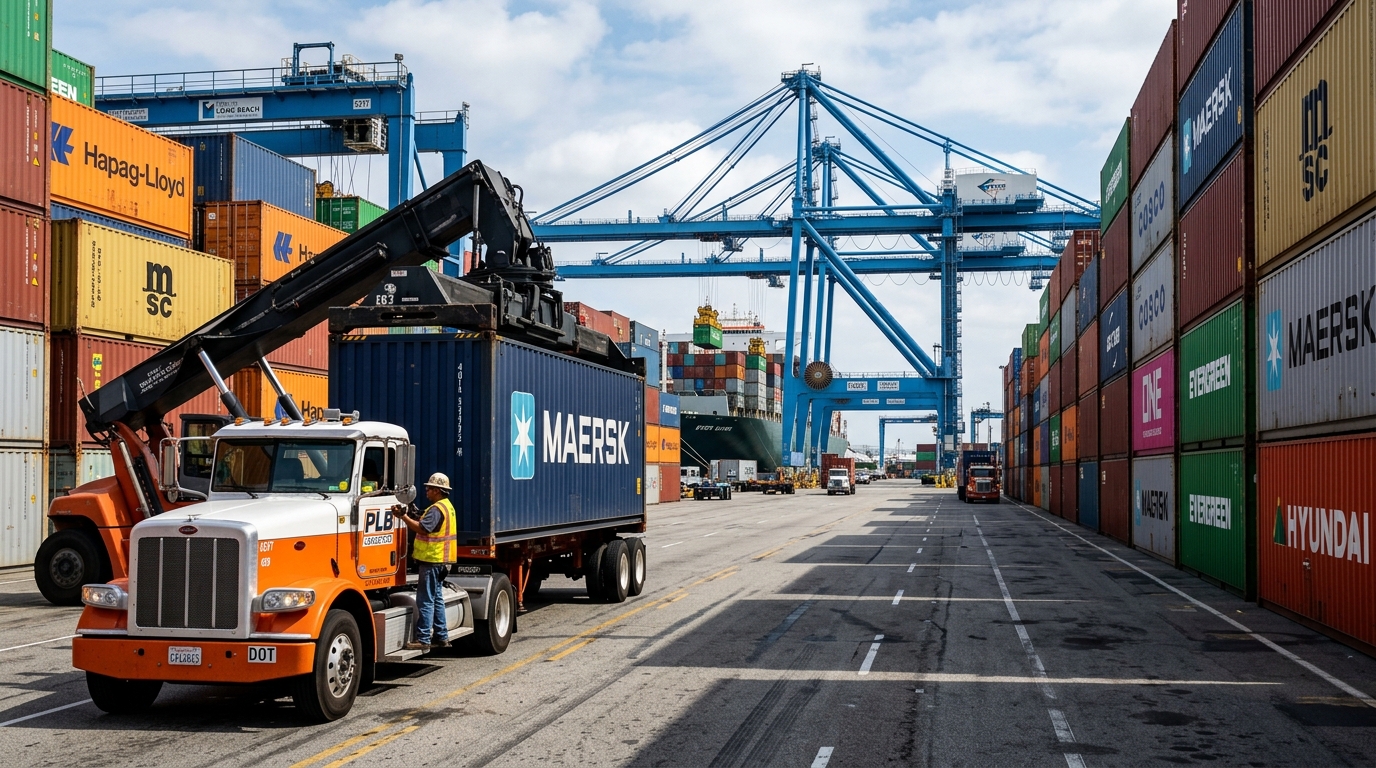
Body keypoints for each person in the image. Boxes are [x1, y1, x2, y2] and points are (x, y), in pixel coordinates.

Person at [391, 473, 457, 652]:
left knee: (425, 601)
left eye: (429, 488)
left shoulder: (436, 510)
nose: (426, 491)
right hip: (441, 561)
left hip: (431, 561)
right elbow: (422, 517)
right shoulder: (445, 506)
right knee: (436, 599)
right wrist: (410, 511)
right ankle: (442, 637)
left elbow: (422, 528)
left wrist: (402, 517)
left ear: (437, 490)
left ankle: (423, 639)